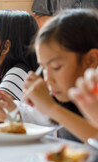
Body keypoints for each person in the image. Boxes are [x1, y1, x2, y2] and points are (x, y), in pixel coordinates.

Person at [20, 9, 98, 142]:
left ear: (91, 59)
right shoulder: (70, 97)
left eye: (56, 67)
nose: (48, 79)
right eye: (43, 68)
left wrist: (51, 108)